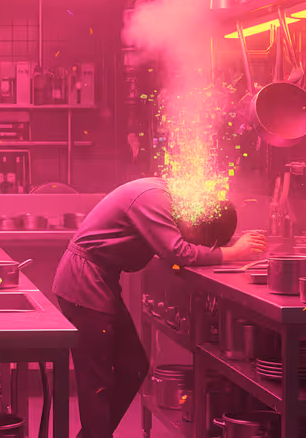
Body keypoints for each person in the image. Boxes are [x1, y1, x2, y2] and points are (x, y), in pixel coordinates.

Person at [52, 177, 266, 438]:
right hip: (83, 284)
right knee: (96, 384)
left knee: (134, 367)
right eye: (202, 238)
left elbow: (172, 249)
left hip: (100, 283)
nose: (193, 239)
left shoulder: (167, 200)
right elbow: (179, 252)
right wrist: (233, 253)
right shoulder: (156, 199)